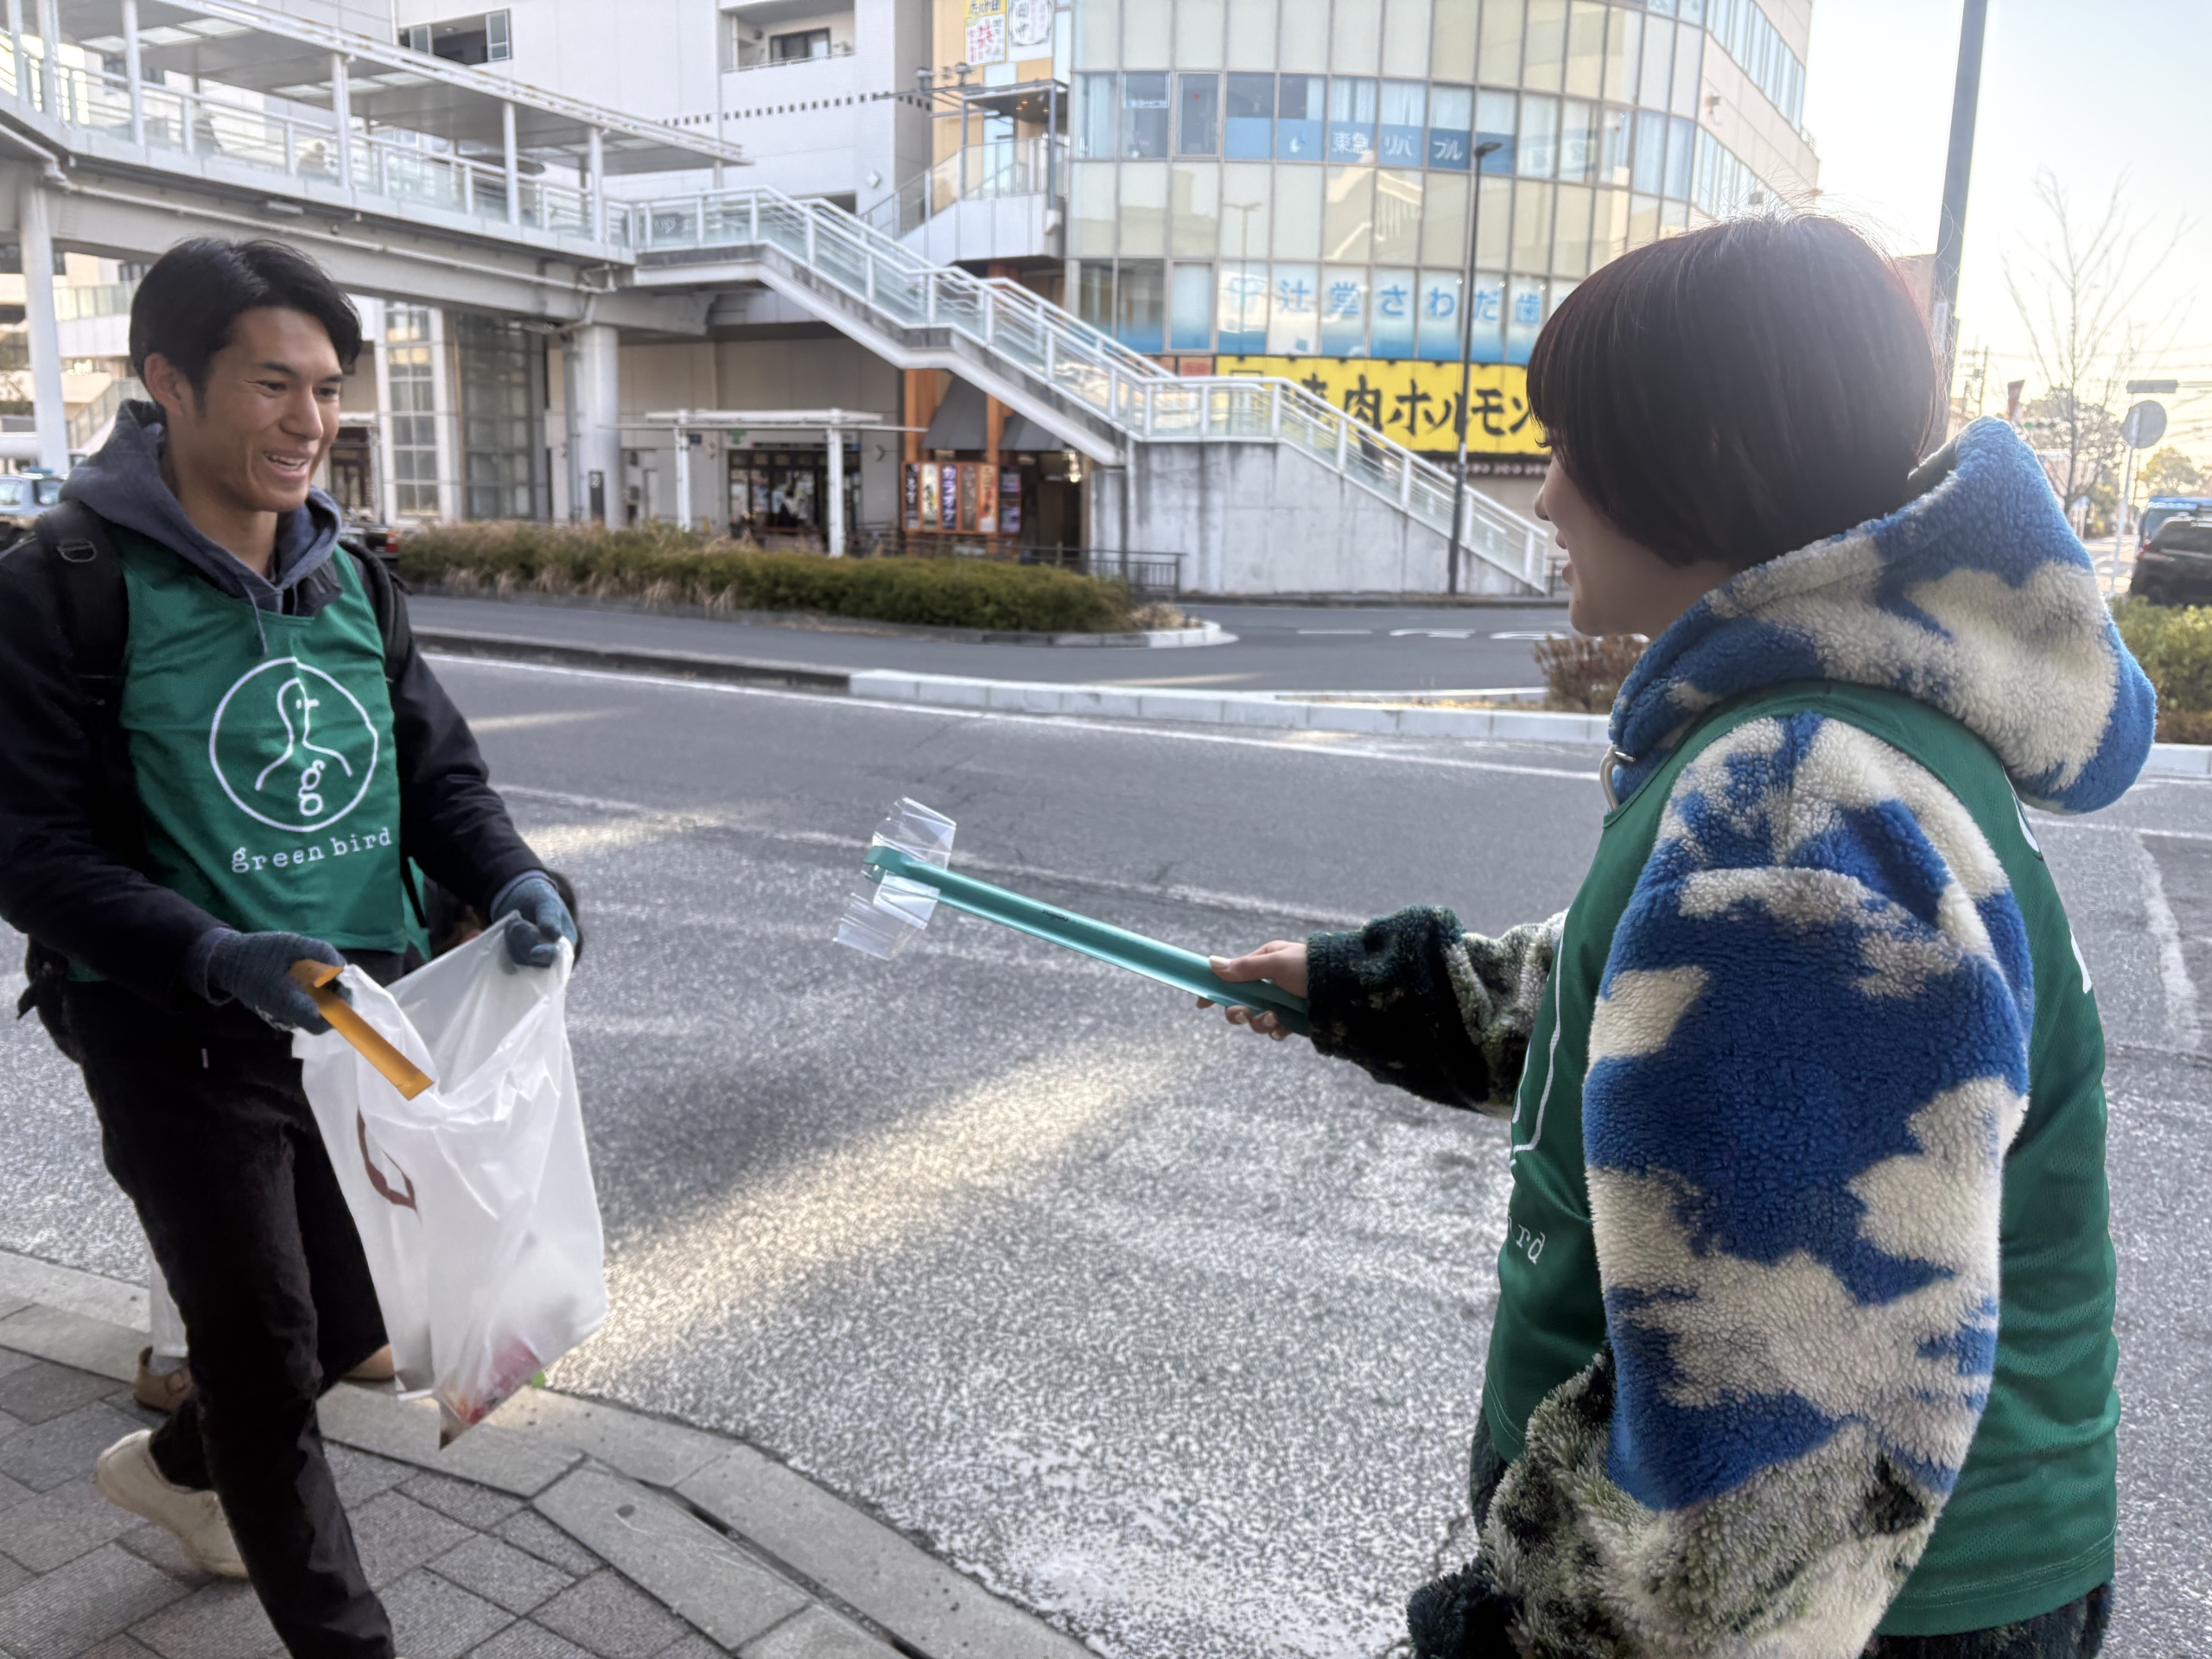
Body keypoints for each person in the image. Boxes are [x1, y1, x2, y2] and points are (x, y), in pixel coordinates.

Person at [1205, 216, 2151, 1659]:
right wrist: (1375, 993)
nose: (1546, 498)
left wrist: (1522, 1637)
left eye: (1572, 446)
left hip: (1856, 1616)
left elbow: (1776, 1423)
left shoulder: (1798, 808)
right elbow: (1674, 1034)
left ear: (1699, 458)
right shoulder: (1839, 746)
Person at [0, 238, 577, 1659]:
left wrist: (511, 877)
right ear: (166, 384)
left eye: (325, 389)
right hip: (176, 1029)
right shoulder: (60, 586)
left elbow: (439, 777)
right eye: (272, 384)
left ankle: (184, 1473)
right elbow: (29, 851)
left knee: (356, 1314)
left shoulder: (351, 581)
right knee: (260, 1353)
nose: (309, 422)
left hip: (367, 1021)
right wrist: (214, 953)